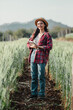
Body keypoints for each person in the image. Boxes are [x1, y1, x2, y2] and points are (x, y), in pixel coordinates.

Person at [27, 18, 53, 99]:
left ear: (44, 25)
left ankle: (41, 94)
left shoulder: (47, 35)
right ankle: (33, 93)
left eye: (41, 23)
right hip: (33, 55)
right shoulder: (35, 34)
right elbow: (28, 42)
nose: (39, 25)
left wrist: (38, 46)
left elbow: (49, 46)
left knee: (41, 76)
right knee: (33, 76)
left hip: (41, 57)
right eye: (38, 24)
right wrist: (31, 45)